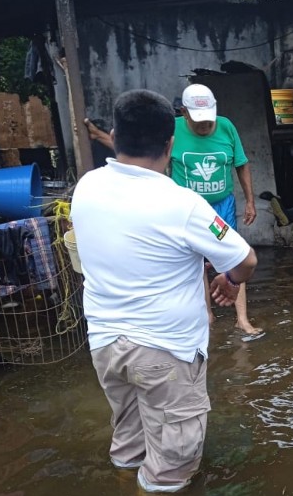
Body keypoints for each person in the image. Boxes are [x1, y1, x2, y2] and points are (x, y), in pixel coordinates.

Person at [72, 89, 258, 493]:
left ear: (115, 135)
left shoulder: (86, 187)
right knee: (170, 475)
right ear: (170, 143)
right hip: (164, 351)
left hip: (106, 345)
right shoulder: (183, 204)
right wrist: (228, 282)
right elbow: (245, 260)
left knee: (128, 444)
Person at [84, 82, 264, 340]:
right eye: (198, 120)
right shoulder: (171, 130)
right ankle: (207, 316)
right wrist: (99, 136)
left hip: (221, 205)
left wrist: (249, 201)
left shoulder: (226, 127)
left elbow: (241, 164)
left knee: (233, 255)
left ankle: (242, 320)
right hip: (185, 206)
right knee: (196, 263)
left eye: (208, 120)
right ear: (184, 113)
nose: (205, 126)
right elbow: (137, 153)